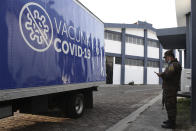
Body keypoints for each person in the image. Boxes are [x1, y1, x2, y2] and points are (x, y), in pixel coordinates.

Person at [155, 50, 182, 129]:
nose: (165, 59)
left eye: (165, 58)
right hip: (169, 89)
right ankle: (170, 120)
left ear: (169, 57)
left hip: (171, 89)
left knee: (171, 106)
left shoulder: (173, 65)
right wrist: (162, 74)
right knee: (168, 105)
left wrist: (161, 75)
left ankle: (172, 123)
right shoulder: (172, 64)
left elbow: (168, 75)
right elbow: (168, 74)